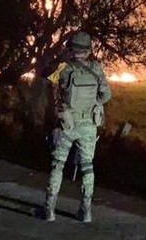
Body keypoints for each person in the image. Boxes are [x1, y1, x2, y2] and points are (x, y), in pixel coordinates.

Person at [43, 31, 112, 222]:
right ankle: (86, 212)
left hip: (67, 123)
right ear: (88, 50)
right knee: (87, 167)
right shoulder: (96, 69)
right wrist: (92, 105)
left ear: (72, 49)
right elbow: (106, 96)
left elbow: (47, 81)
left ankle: (49, 211)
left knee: (57, 165)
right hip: (88, 125)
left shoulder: (63, 68)